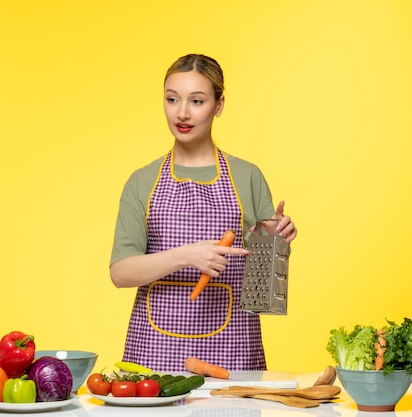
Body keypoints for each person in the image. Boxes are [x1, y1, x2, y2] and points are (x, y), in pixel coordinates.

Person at [109, 54, 297, 372]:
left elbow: (265, 297)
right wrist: (187, 255)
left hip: (233, 354)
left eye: (197, 101)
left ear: (219, 105)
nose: (182, 112)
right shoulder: (142, 182)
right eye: (172, 99)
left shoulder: (247, 177)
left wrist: (276, 245)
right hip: (156, 355)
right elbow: (120, 273)